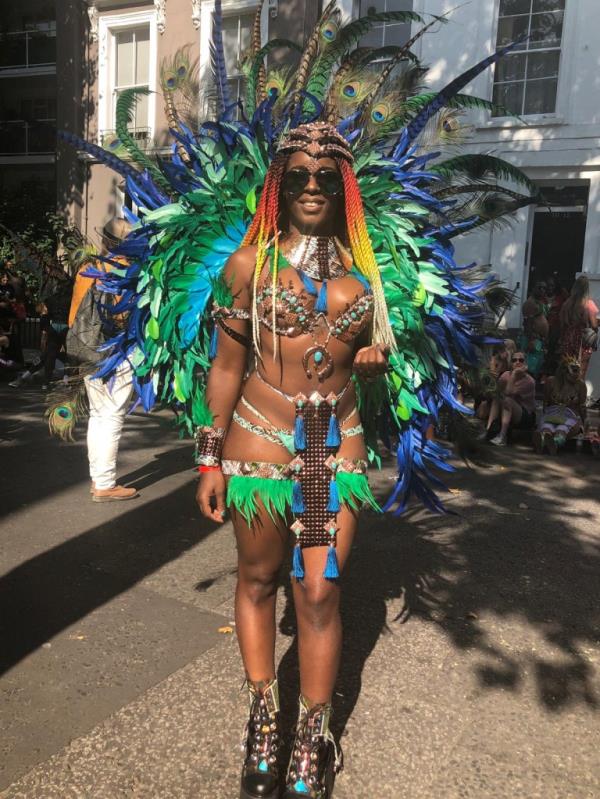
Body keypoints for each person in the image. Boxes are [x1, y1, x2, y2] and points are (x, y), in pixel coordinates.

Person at [68, 6, 538, 796]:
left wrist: (381, 365)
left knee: (317, 590)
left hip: (332, 448)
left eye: (327, 177)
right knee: (256, 581)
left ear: (343, 187)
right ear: (278, 184)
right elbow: (225, 366)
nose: (313, 185)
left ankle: (311, 739)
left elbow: (381, 374)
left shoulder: (368, 283)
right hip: (254, 440)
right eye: (300, 176)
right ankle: (262, 717)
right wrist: (208, 453)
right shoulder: (247, 269)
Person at [67, 218, 138, 503]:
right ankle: (105, 484)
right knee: (111, 415)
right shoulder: (131, 272)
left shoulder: (87, 269)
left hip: (87, 350)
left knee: (98, 415)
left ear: (106, 241)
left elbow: (74, 313)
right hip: (115, 352)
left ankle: (99, 478)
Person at [533, 357, 586, 455]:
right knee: (553, 428)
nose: (576, 374)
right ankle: (548, 441)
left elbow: (582, 406)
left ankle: (549, 442)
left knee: (556, 428)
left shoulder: (580, 385)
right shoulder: (551, 381)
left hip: (565, 414)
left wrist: (583, 423)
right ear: (564, 370)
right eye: (574, 370)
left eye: (578, 370)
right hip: (558, 414)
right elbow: (546, 402)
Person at [483, 351, 536, 446]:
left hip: (525, 416)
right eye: (514, 360)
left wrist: (514, 375)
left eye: (521, 360)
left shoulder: (529, 381)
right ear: (511, 363)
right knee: (497, 398)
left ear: (525, 364)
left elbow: (508, 393)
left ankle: (502, 436)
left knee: (508, 400)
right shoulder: (505, 375)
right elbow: (496, 392)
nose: (517, 362)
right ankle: (488, 431)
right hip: (507, 410)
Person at [558, 275, 599, 379]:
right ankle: (577, 393)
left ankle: (565, 392)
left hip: (568, 339)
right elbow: (594, 325)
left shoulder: (567, 304)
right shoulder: (589, 304)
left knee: (567, 370)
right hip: (582, 341)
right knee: (580, 372)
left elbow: (562, 323)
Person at [520, 280, 548, 378]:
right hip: (531, 339)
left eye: (544, 288)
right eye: (539, 287)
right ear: (533, 288)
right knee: (528, 370)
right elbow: (527, 323)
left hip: (539, 339)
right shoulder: (530, 303)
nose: (542, 290)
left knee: (536, 368)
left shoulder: (540, 302)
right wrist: (531, 340)